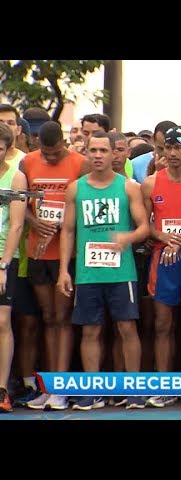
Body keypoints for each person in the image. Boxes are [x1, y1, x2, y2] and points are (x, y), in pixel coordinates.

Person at [57, 131, 150, 410]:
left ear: (114, 154)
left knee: (127, 328)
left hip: (122, 273)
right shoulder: (76, 189)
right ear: (86, 152)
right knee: (90, 331)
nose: (97, 155)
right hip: (88, 272)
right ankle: (92, 390)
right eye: (92, 150)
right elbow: (68, 231)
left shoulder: (128, 187)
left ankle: (133, 389)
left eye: (103, 151)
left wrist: (127, 238)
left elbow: (145, 226)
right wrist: (64, 270)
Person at [21, 121, 89, 411]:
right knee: (47, 317)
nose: (49, 157)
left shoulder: (80, 164)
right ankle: (48, 387)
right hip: (38, 251)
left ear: (64, 143)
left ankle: (61, 386)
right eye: (45, 153)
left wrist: (63, 225)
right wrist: (36, 222)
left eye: (54, 152)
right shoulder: (28, 163)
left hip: (66, 255)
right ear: (38, 145)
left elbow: (85, 206)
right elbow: (20, 203)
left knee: (63, 319)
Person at [141, 126, 181, 409]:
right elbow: (145, 226)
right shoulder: (151, 183)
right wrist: (163, 236)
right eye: (169, 148)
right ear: (162, 150)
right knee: (163, 325)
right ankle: (165, 385)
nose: (174, 153)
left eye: (180, 147)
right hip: (163, 260)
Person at [0, 123, 28, 412]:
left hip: (5, 257)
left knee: (3, 323)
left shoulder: (15, 177)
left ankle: (2, 389)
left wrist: (4, 264)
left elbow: (17, 223)